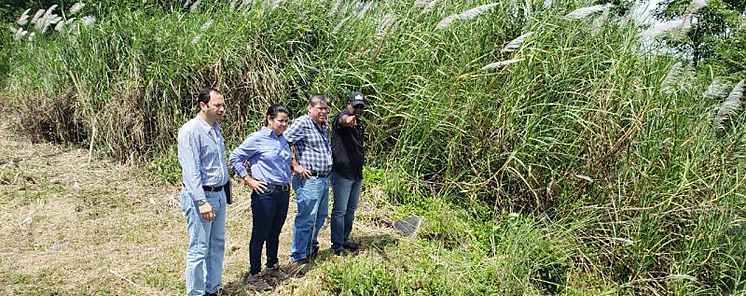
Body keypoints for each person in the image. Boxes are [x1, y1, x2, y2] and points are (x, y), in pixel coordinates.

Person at [228, 104, 292, 291]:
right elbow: (235, 157)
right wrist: (248, 179)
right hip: (266, 193)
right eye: (280, 121)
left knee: (275, 232)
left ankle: (272, 266)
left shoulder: (282, 139)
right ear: (269, 119)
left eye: (286, 121)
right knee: (260, 233)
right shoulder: (257, 139)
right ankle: (254, 274)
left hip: (283, 191)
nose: (284, 125)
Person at [177, 87, 230, 296]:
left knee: (217, 244)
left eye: (223, 105)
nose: (222, 109)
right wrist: (201, 202)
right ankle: (196, 293)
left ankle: (212, 289)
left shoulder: (216, 129)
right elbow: (191, 171)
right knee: (199, 249)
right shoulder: (191, 131)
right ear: (203, 105)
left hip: (219, 194)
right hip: (202, 197)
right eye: (217, 105)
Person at [284, 94, 332, 272]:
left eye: (325, 108)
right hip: (309, 180)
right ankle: (297, 256)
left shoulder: (323, 125)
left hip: (324, 179)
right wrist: (295, 165)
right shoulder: (303, 123)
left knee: (319, 217)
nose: (323, 111)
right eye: (319, 108)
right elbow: (282, 142)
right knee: (306, 218)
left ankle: (310, 248)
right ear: (309, 108)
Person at [330, 92, 366, 256]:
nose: (358, 109)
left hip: (356, 174)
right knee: (340, 210)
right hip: (342, 173)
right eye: (355, 105)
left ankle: (344, 239)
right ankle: (337, 246)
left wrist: (354, 121)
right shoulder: (342, 118)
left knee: (351, 209)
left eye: (361, 106)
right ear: (348, 104)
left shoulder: (359, 124)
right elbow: (343, 120)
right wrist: (348, 119)